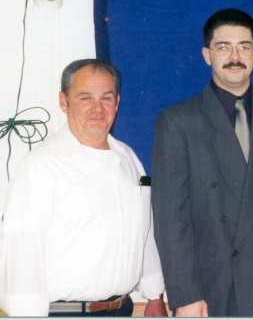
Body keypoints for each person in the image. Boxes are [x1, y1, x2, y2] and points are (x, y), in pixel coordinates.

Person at [150, 8, 253, 317]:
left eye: (243, 46)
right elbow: (170, 220)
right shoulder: (177, 122)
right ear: (207, 55)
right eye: (223, 47)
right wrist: (185, 294)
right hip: (208, 287)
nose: (234, 56)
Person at [0, 59, 167, 317]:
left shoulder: (128, 158)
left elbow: (143, 233)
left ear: (117, 103)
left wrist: (155, 295)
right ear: (63, 102)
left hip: (121, 309)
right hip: (65, 313)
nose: (97, 108)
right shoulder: (41, 167)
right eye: (85, 98)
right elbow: (22, 255)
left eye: (106, 98)